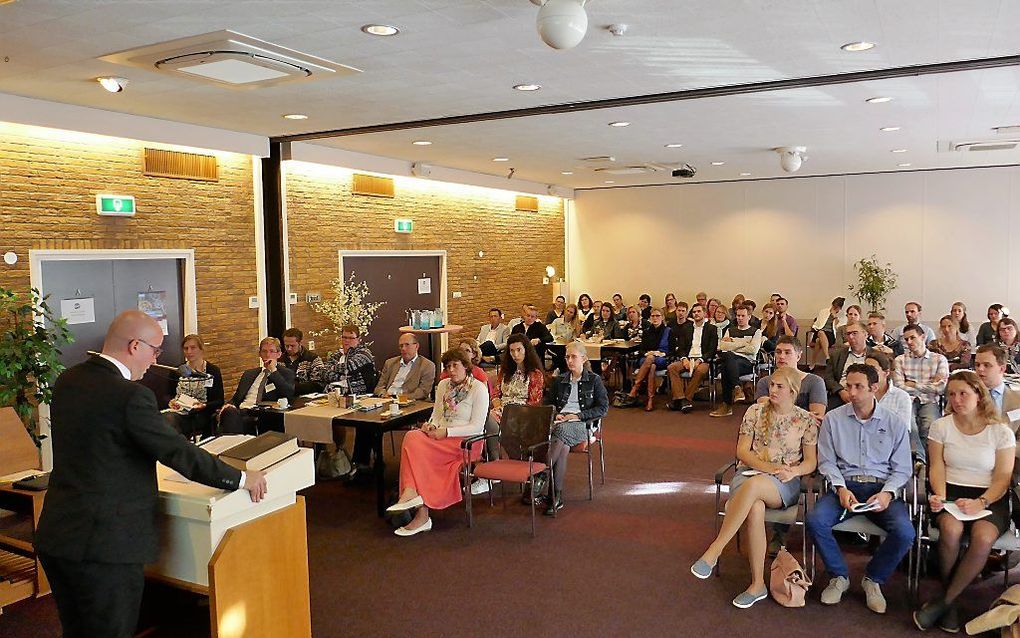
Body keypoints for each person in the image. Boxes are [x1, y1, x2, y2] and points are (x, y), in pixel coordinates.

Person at [36, 310, 267, 638]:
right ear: (134, 346)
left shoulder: (69, 380)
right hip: (106, 545)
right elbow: (177, 452)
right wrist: (242, 478)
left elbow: (103, 447)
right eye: (155, 350)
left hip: (58, 533)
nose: (157, 360)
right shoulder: (129, 395)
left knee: (76, 629)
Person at [691, 367, 818, 609]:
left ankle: (715, 549)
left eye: (779, 386)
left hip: (784, 481)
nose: (772, 390)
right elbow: (742, 452)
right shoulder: (755, 411)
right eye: (771, 385)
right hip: (751, 473)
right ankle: (757, 584)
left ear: (792, 391)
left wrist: (794, 471)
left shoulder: (805, 420)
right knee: (755, 507)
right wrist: (768, 467)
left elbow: (811, 461)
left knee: (754, 486)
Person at [807, 364, 914, 615]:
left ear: (874, 389)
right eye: (848, 386)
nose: (851, 392)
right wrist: (840, 488)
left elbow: (902, 468)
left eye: (858, 387)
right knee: (815, 520)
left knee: (905, 532)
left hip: (881, 488)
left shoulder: (894, 422)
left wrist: (888, 493)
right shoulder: (834, 419)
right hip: (846, 486)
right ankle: (839, 576)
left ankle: (874, 579)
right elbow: (826, 461)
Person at [913, 371, 1016, 632]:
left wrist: (981, 502)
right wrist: (938, 494)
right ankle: (951, 603)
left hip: (991, 496)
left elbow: (1003, 478)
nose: (956, 400)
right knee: (950, 528)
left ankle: (945, 602)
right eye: (951, 394)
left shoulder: (1000, 431)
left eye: (963, 393)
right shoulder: (941, 426)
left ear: (979, 395)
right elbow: (936, 467)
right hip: (951, 491)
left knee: (982, 538)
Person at [386, 348, 488, 536]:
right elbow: (437, 415)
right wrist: (430, 426)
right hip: (440, 437)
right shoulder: (443, 385)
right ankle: (412, 496)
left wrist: (447, 432)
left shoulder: (478, 388)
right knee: (413, 436)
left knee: (416, 447)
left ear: (466, 366)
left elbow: (477, 427)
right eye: (448, 366)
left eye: (455, 366)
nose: (451, 370)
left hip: (466, 442)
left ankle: (416, 504)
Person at [544, 342, 609, 515]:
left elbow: (603, 408)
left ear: (584, 358)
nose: (570, 360)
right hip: (560, 423)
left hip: (583, 425)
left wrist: (578, 416)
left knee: (560, 433)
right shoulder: (560, 380)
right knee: (562, 445)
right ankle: (555, 496)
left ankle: (541, 474)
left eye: (573, 357)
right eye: (567, 357)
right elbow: (548, 403)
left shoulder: (594, 380)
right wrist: (556, 412)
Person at [322, 324, 379, 474]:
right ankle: (327, 457)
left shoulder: (364, 353)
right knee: (320, 418)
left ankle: (360, 464)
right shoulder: (335, 355)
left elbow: (350, 367)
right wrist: (339, 372)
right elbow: (324, 374)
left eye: (351, 338)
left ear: (358, 339)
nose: (347, 341)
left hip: (359, 396)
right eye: (344, 337)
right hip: (334, 396)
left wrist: (337, 370)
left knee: (364, 424)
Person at [893, 324, 949, 463]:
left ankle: (931, 462)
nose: (910, 342)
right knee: (909, 425)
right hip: (908, 400)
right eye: (906, 339)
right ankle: (921, 458)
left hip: (929, 401)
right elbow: (899, 386)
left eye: (913, 338)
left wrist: (914, 384)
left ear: (923, 337)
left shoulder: (939, 359)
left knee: (930, 427)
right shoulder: (900, 360)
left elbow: (941, 388)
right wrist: (929, 385)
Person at [219, 337, 296, 435]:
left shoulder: (286, 373)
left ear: (279, 354)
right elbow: (236, 398)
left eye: (272, 351)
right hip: (241, 410)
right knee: (228, 412)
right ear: (260, 354)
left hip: (261, 413)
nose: (268, 355)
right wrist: (229, 405)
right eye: (264, 351)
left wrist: (273, 371)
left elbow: (288, 394)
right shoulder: (249, 374)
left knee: (231, 420)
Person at [755, 336, 827, 423]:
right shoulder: (764, 382)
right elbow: (765, 413)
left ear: (798, 356)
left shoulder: (815, 382)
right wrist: (804, 415)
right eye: (778, 352)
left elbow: (817, 418)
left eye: (787, 352)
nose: (781, 356)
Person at [710, 304, 763, 418]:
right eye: (738, 315)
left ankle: (726, 405)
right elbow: (722, 346)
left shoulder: (756, 331)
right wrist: (745, 343)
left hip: (747, 363)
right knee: (728, 360)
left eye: (743, 316)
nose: (739, 318)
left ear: (749, 317)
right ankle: (737, 387)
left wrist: (733, 342)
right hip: (732, 362)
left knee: (727, 361)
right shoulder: (730, 330)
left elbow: (753, 349)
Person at [167, 333, 224, 439]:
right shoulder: (177, 371)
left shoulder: (213, 371)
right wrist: (171, 402)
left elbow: (219, 400)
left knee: (173, 423)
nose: (189, 352)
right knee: (168, 419)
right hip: (180, 412)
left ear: (201, 349)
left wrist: (204, 405)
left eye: (193, 348)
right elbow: (169, 394)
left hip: (201, 413)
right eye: (186, 348)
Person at [667, 303, 718, 413]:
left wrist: (700, 360)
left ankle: (686, 399)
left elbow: (712, 350)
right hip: (688, 358)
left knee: (700, 371)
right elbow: (681, 347)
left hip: (703, 359)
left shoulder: (711, 329)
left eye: (699, 311)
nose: (696, 314)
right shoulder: (686, 328)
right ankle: (680, 398)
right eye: (694, 312)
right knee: (672, 367)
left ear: (704, 313)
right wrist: (684, 358)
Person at [491, 334, 545, 424]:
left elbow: (534, 403)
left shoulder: (535, 374)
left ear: (526, 350)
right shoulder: (505, 371)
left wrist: (512, 413)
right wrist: (498, 406)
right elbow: (495, 394)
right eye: (512, 351)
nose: (515, 354)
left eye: (519, 350)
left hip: (523, 414)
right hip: (501, 410)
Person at [626, 307, 671, 411]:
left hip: (662, 358)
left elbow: (672, 350)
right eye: (653, 316)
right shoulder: (647, 332)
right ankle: (650, 399)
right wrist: (648, 353)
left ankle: (635, 387)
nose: (655, 318)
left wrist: (660, 353)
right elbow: (641, 350)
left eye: (657, 316)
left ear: (662, 317)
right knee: (651, 366)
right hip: (646, 359)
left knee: (653, 361)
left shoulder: (668, 331)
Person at [822, 321, 871, 410]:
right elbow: (828, 378)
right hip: (841, 394)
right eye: (848, 334)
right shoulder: (837, 355)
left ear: (865, 334)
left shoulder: (874, 355)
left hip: (866, 396)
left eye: (854, 333)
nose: (851, 337)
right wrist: (840, 391)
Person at [374, 333, 437, 400]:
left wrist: (400, 399)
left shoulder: (427, 365)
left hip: (409, 402)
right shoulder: (390, 363)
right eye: (401, 346)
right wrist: (383, 394)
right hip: (386, 399)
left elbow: (422, 392)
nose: (403, 348)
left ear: (416, 346)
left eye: (407, 345)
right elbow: (379, 387)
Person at [974, 344, 1020, 430]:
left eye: (986, 365)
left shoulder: (1017, 400)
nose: (980, 369)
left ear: (1002, 369)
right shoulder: (963, 396)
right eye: (977, 365)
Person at [865, 351, 913, 431]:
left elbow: (903, 430)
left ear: (886, 372)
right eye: (865, 369)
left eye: (873, 369)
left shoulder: (901, 397)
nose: (867, 373)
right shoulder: (862, 394)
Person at [281, 327, 325, 395]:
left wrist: (293, 388)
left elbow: (319, 384)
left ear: (300, 343)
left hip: (307, 398)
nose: (289, 349)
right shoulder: (279, 360)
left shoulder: (313, 359)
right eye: (286, 346)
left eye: (292, 346)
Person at [809, 296, 846, 368]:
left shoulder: (842, 316)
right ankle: (827, 357)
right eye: (833, 306)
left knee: (818, 340)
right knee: (820, 334)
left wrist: (835, 317)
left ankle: (812, 365)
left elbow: (838, 329)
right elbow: (817, 324)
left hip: (831, 335)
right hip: (820, 332)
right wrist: (814, 327)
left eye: (836, 307)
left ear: (840, 308)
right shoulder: (823, 311)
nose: (834, 308)